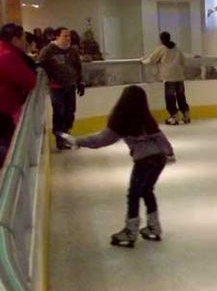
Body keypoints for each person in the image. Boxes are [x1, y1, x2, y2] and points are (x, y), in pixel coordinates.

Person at [60, 86, 175, 248]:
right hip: (159, 160)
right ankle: (154, 226)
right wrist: (169, 153)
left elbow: (101, 139)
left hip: (144, 161)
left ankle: (131, 230)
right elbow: (160, 138)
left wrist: (78, 141)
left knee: (134, 194)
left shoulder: (122, 120)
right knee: (147, 190)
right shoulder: (147, 119)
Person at [37, 27, 83, 150]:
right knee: (59, 112)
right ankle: (60, 139)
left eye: (69, 36)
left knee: (70, 112)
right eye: (65, 36)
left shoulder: (72, 51)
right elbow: (40, 65)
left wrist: (80, 81)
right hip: (56, 86)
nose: (68, 38)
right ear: (57, 37)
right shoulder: (48, 50)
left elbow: (78, 67)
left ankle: (67, 135)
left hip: (70, 85)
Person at [142, 32, 189, 125]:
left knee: (170, 97)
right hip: (179, 76)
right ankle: (186, 115)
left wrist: (142, 61)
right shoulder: (177, 49)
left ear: (161, 39)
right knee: (181, 96)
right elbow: (183, 61)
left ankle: (174, 116)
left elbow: (151, 59)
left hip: (169, 76)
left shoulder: (162, 49)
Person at [0, 24, 37, 127]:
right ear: (15, 40)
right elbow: (30, 81)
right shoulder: (8, 56)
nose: (25, 43)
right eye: (24, 39)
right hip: (5, 110)